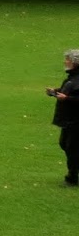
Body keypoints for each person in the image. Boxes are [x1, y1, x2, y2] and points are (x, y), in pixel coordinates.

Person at [45, 49, 79, 186]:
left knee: (72, 148)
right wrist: (55, 92)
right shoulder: (72, 77)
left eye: (68, 60)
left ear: (75, 63)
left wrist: (68, 99)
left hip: (76, 121)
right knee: (64, 144)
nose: (65, 62)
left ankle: (72, 178)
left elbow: (73, 96)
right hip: (69, 120)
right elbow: (68, 91)